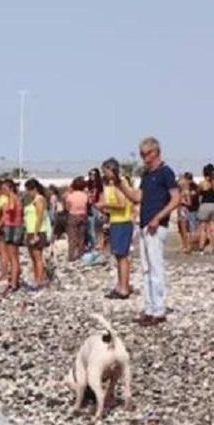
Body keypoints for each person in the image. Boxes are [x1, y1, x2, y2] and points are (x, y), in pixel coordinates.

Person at [118, 137, 181, 327]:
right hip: (145, 224)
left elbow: (175, 198)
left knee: (155, 267)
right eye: (141, 155)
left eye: (146, 154)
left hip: (156, 225)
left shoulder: (166, 173)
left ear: (155, 152)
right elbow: (139, 197)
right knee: (146, 269)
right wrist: (121, 185)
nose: (144, 158)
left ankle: (159, 309)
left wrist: (158, 217)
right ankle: (149, 307)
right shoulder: (146, 175)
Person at [98, 158, 135, 299]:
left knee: (122, 256)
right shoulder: (110, 185)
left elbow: (121, 205)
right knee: (118, 256)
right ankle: (120, 285)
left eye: (105, 171)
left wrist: (105, 205)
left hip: (123, 222)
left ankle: (124, 288)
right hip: (116, 221)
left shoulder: (121, 184)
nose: (104, 174)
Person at [23, 178, 52, 288]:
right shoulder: (32, 200)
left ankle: (39, 279)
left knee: (37, 256)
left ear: (34, 189)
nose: (27, 193)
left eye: (28, 190)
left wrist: (35, 233)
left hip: (38, 231)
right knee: (33, 257)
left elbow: (40, 217)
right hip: (30, 230)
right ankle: (37, 277)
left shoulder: (39, 199)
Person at [0, 179, 25, 295]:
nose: (2, 191)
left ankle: (14, 283)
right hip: (11, 226)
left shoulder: (13, 198)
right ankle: (14, 280)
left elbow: (12, 209)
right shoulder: (12, 198)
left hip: (13, 227)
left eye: (4, 188)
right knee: (12, 256)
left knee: (13, 257)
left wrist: (6, 207)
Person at [64, 177, 90, 262]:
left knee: (72, 237)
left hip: (73, 215)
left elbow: (67, 208)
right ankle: (81, 254)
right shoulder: (85, 195)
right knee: (81, 236)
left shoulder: (70, 196)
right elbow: (88, 205)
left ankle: (71, 256)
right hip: (83, 215)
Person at [196, 169, 214, 255]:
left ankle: (201, 248)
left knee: (203, 228)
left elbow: (198, 192)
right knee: (213, 228)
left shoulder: (202, 183)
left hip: (205, 205)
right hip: (213, 205)